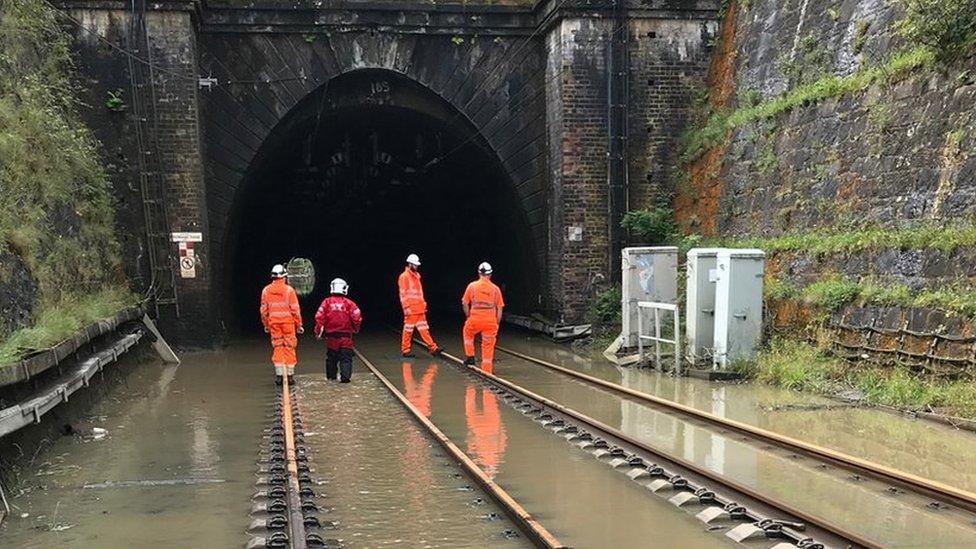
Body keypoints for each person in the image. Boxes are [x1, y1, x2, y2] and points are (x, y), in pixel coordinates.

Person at [260, 264, 303, 385]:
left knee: (278, 347)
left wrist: (266, 325)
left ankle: (279, 376)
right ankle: (290, 377)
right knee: (289, 347)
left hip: (274, 324)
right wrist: (299, 325)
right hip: (288, 324)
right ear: (284, 277)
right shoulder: (289, 291)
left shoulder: (266, 290)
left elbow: (264, 311)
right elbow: (295, 309)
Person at [314, 278, 362, 383]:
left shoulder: (326, 302)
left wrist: (318, 332)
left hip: (331, 338)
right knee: (346, 359)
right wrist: (355, 328)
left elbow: (319, 317)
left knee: (331, 360)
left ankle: (331, 379)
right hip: (346, 338)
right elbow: (357, 317)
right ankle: (345, 379)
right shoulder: (350, 304)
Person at [461, 262, 504, 373]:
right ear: (490, 274)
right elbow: (500, 308)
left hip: (474, 319)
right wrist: (497, 323)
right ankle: (487, 370)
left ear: (479, 273)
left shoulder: (472, 286)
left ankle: (470, 357)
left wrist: (468, 316)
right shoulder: (496, 289)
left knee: (467, 334)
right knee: (488, 346)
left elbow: (465, 303)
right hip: (490, 322)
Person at [398, 253, 443, 358]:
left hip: (419, 308)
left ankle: (433, 348)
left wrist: (423, 304)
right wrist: (406, 308)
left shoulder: (417, 276)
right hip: (411, 308)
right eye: (415, 265)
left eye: (417, 265)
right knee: (408, 330)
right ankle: (405, 350)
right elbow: (403, 294)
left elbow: (419, 292)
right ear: (409, 264)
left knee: (424, 329)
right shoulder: (404, 277)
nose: (416, 266)